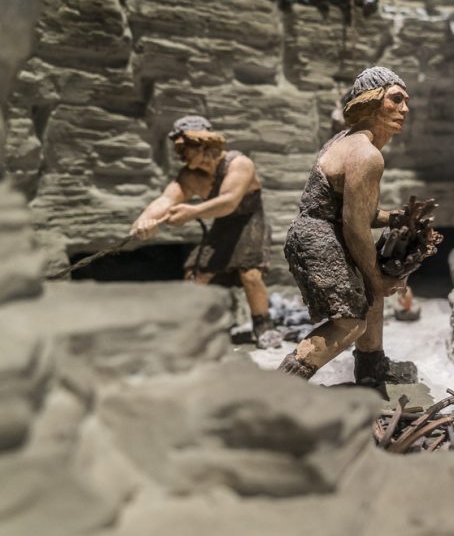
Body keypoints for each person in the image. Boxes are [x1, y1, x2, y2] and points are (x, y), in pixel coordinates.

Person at [279, 66, 414, 386]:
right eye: (396, 99)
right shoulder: (366, 155)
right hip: (320, 238)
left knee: (371, 298)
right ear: (371, 103)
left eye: (406, 101)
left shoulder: (347, 139)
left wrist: (395, 217)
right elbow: (355, 228)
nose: (405, 109)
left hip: (322, 230)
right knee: (351, 322)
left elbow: (359, 214)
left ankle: (371, 370)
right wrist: (375, 277)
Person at [130, 115, 276, 349]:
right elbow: (167, 199)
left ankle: (263, 325)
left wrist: (192, 212)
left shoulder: (239, 164)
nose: (180, 155)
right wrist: (144, 220)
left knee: (250, 275)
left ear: (201, 143)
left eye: (182, 148)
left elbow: (229, 201)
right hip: (223, 225)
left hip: (249, 222)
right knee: (196, 275)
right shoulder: (190, 176)